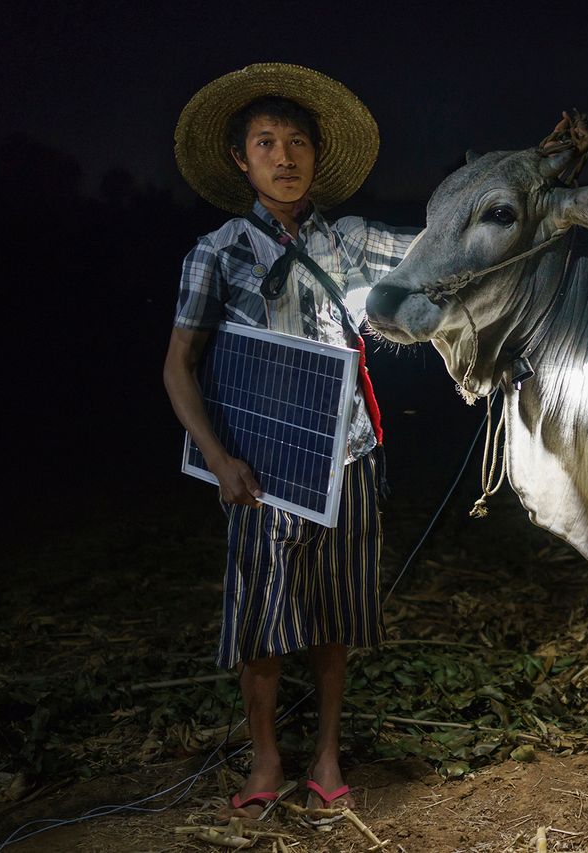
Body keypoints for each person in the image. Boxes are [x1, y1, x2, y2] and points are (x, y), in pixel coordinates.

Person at [163, 62, 419, 824]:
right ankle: (266, 754)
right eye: (266, 142)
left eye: (297, 141)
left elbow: (441, 250)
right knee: (263, 622)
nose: (285, 156)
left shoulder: (351, 241)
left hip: (349, 457)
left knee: (337, 615)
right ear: (242, 160)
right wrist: (216, 456)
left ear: (315, 155)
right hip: (260, 468)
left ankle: (328, 753)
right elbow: (178, 367)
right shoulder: (220, 250)